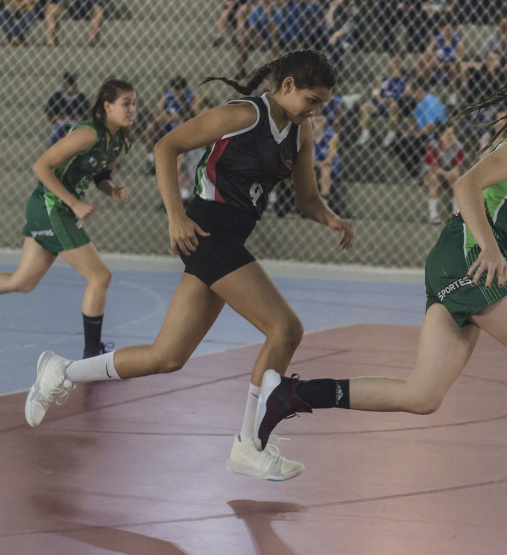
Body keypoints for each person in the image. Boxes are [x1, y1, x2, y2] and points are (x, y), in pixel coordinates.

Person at [252, 59, 507, 534]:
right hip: (468, 259)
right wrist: (489, 246)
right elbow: (465, 184)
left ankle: (290, 394)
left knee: (422, 395)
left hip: (467, 264)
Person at [24, 50, 355, 484]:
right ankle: (249, 445)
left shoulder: (300, 130)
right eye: (312, 100)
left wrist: (332, 218)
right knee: (285, 329)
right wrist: (175, 215)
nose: (316, 110)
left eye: (322, 104)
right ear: (288, 85)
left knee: (167, 356)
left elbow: (307, 198)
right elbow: (167, 146)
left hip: (229, 238)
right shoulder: (244, 115)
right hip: (206, 230)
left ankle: (61, 370)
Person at [1, 80, 134, 359]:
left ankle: (92, 353)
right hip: (51, 206)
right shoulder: (88, 133)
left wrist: (111, 190)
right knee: (100, 276)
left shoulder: (119, 140)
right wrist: (74, 203)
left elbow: (100, 174)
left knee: (21, 283)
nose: (132, 109)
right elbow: (41, 166)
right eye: (126, 103)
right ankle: (91, 355)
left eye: (134, 103)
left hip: (57, 208)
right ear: (107, 106)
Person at [392, 77, 447, 179]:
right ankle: (416, 171)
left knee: (399, 145)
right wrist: (408, 133)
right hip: (423, 135)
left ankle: (416, 174)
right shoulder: (420, 103)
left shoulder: (429, 102)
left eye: (412, 91)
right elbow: (414, 120)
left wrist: (411, 134)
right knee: (399, 142)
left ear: (417, 91)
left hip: (433, 136)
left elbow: (430, 128)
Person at [144, 77, 201, 175]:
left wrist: (180, 117)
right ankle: (151, 160)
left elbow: (198, 116)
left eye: (179, 93)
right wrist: (163, 117)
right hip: (168, 127)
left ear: (185, 90)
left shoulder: (193, 97)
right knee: (150, 127)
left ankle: (176, 167)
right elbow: (155, 116)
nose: (176, 96)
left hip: (185, 128)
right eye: (175, 92)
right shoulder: (167, 97)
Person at [356, 53, 411, 147]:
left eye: (398, 62)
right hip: (381, 103)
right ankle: (365, 135)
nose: (396, 64)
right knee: (365, 107)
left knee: (394, 105)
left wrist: (393, 100)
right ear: (390, 62)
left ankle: (391, 134)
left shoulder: (407, 78)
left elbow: (407, 93)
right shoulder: (382, 78)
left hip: (396, 103)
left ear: (403, 63)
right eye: (394, 62)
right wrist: (380, 100)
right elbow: (375, 92)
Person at [422, 123, 465, 223]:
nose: (451, 137)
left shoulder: (458, 146)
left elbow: (457, 170)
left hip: (448, 173)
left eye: (453, 133)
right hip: (432, 173)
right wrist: (448, 174)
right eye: (448, 134)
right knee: (434, 179)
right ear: (440, 135)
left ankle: (456, 214)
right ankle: (433, 215)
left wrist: (450, 174)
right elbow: (434, 168)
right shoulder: (433, 145)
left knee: (457, 180)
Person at [46, 72, 90, 147]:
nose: (69, 87)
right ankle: (52, 150)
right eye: (67, 84)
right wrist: (62, 117)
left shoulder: (81, 98)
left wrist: (78, 119)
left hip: (75, 125)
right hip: (60, 124)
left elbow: (85, 118)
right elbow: (50, 117)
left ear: (75, 85)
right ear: (64, 84)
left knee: (75, 133)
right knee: (56, 134)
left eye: (71, 84)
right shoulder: (57, 97)